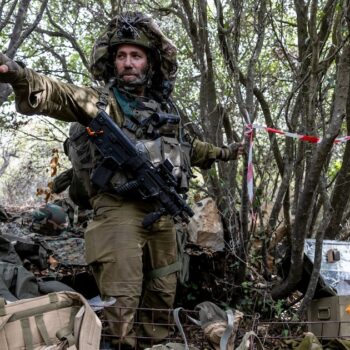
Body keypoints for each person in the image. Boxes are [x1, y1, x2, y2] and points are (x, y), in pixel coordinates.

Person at [0, 12, 243, 349]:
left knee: (161, 294)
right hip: (117, 210)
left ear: (150, 62)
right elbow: (62, 94)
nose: (128, 63)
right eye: (121, 56)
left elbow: (189, 148)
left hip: (162, 212)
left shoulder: (166, 109)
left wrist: (226, 153)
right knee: (122, 300)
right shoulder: (103, 103)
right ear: (112, 61)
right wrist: (20, 76)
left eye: (136, 55)